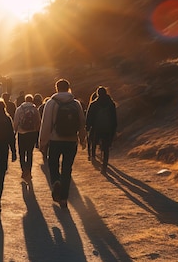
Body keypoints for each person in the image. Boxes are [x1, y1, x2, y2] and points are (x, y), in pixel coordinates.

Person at [39, 79, 87, 208]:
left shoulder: (51, 103)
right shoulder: (76, 103)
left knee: (53, 164)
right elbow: (82, 122)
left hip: (55, 140)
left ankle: (55, 182)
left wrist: (43, 142)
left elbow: (46, 124)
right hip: (71, 141)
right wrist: (82, 139)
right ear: (68, 88)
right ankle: (64, 198)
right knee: (67, 169)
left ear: (56, 88)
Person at [85, 86, 118, 174]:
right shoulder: (111, 104)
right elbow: (114, 118)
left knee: (94, 142)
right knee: (106, 148)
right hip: (108, 128)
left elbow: (89, 117)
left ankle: (93, 156)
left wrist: (88, 126)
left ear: (97, 94)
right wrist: (114, 129)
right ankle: (104, 166)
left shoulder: (93, 104)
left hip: (96, 128)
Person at [13, 94, 41, 181]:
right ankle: (29, 171)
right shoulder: (35, 109)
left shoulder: (19, 109)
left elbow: (16, 122)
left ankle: (23, 170)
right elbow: (38, 121)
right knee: (29, 153)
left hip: (22, 133)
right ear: (32, 100)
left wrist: (15, 132)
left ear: (25, 100)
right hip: (31, 133)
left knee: (22, 153)